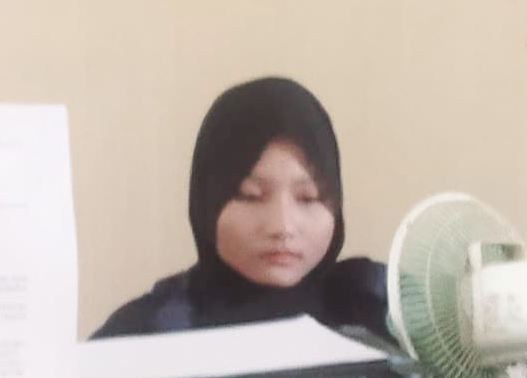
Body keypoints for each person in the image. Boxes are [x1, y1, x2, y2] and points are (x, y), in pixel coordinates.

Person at [91, 76, 388, 340]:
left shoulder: (381, 311)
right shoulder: (145, 333)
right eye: (251, 196)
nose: (282, 226)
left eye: (308, 198)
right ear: (207, 202)